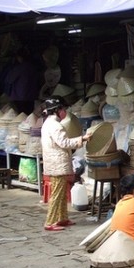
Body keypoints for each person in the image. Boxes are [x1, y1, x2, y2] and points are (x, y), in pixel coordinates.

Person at [41, 97, 92, 231]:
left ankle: (62, 218)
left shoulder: (48, 123)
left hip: (55, 162)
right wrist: (83, 139)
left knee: (62, 192)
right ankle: (50, 222)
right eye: (63, 109)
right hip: (57, 164)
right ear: (57, 110)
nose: (65, 112)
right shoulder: (56, 126)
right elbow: (64, 143)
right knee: (57, 194)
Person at [4, 47, 40, 114]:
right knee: (29, 116)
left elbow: (9, 80)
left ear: (20, 57)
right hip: (31, 97)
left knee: (19, 117)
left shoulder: (19, 68)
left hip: (19, 98)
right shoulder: (33, 68)